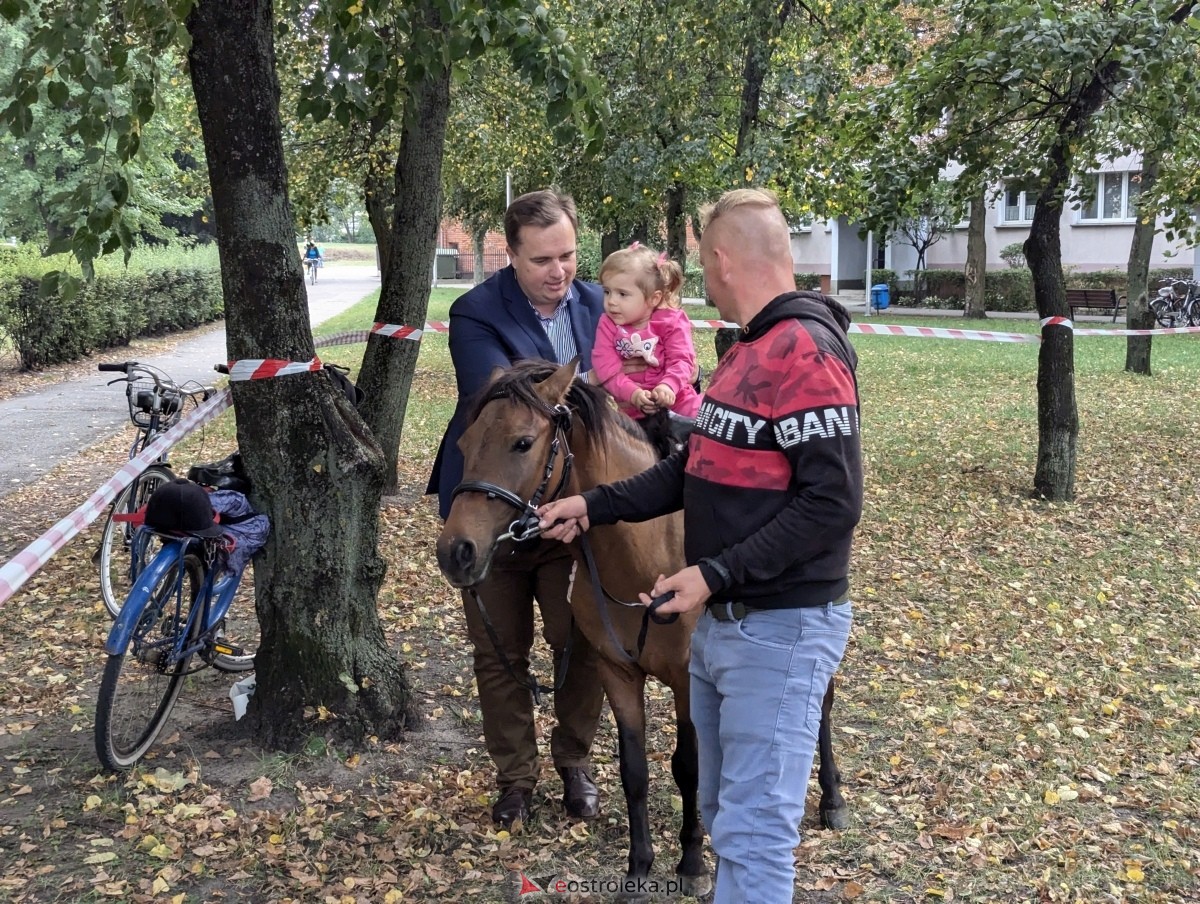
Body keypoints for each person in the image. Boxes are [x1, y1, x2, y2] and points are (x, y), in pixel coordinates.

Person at [537, 188, 862, 903]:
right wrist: (590, 504)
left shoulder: (803, 351)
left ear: (719, 259)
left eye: (698, 260)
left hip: (776, 628)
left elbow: (834, 503)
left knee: (751, 836)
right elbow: (690, 471)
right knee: (721, 813)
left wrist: (715, 572)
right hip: (724, 626)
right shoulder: (746, 352)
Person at [426, 189, 607, 830]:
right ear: (512, 255)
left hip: (569, 512)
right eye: (541, 261)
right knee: (498, 652)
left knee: (583, 642)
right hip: (490, 511)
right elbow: (504, 395)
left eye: (568, 256)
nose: (559, 272)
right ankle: (516, 780)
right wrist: (596, 388)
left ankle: (575, 762)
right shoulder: (475, 311)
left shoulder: (597, 303)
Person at [592, 242, 702, 420]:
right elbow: (606, 369)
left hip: (679, 402)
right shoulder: (607, 324)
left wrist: (668, 386)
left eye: (622, 294)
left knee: (703, 426)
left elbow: (682, 360)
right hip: (631, 411)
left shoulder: (672, 321)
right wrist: (633, 393)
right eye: (607, 291)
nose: (611, 301)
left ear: (653, 298)